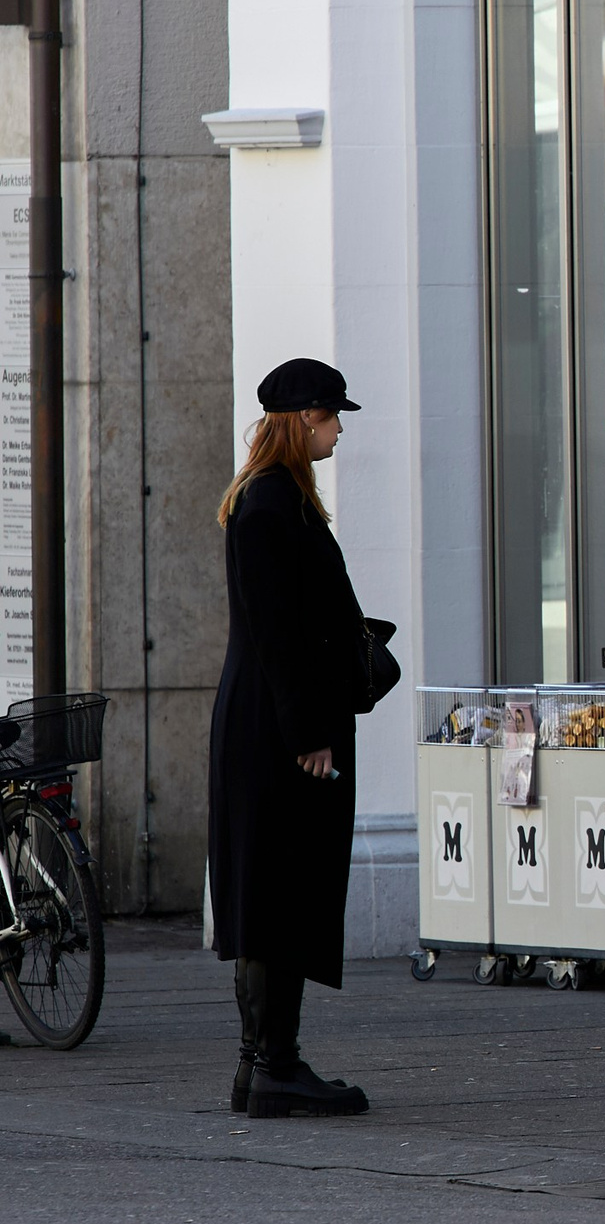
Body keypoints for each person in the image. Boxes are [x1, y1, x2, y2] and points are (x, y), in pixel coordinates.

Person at [209, 358, 373, 1119]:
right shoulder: (272, 504)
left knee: (270, 886)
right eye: (334, 415)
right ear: (305, 418)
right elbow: (277, 631)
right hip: (279, 729)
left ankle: (261, 1063)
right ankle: (273, 1062)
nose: (339, 428)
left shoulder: (270, 500)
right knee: (281, 886)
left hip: (268, 720)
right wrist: (309, 732)